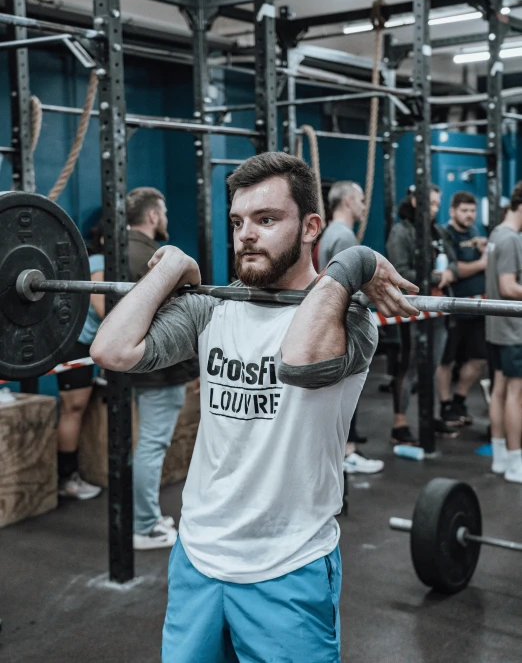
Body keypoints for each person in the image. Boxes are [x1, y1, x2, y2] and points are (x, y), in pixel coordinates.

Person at [91, 152, 418, 663]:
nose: (246, 234)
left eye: (267, 220)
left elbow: (301, 364)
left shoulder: (350, 316)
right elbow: (111, 350)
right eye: (238, 222)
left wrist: (357, 262)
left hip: (287, 566)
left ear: (312, 227)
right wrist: (170, 266)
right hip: (197, 557)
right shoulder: (215, 307)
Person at [126, 187, 200, 550]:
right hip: (159, 366)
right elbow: (178, 318)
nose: (166, 219)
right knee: (152, 446)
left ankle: (144, 516)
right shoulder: (155, 259)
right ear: (153, 216)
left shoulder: (116, 250)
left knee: (141, 445)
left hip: (130, 365)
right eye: (164, 212)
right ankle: (144, 525)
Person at [318, 180, 383, 475]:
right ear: (346, 201)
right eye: (360, 199)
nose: (363, 205)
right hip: (342, 322)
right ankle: (348, 452)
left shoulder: (330, 232)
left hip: (332, 320)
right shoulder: (343, 236)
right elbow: (348, 289)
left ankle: (343, 451)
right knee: (347, 388)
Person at [386, 185, 459, 444]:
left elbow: (453, 262)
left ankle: (429, 417)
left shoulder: (437, 232)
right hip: (412, 311)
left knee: (433, 365)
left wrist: (449, 272)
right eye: (431, 204)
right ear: (416, 201)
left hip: (439, 312)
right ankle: (400, 423)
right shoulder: (401, 232)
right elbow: (400, 273)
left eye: (438, 205)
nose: (435, 209)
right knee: (409, 366)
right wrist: (437, 277)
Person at [57, 221, 104, 500]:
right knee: (72, 411)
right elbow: (101, 306)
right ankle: (67, 479)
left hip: (82, 345)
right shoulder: (98, 260)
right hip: (75, 346)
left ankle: (67, 476)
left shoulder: (95, 259)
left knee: (73, 411)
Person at [437, 191, 488, 427]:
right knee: (446, 360)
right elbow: (454, 269)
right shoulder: (445, 234)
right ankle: (446, 405)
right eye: (464, 211)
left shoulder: (476, 233)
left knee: (478, 358)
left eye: (472, 211)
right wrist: (481, 264)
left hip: (477, 310)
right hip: (453, 308)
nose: (469, 215)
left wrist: (484, 250)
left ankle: (459, 400)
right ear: (452, 211)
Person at [485, 181, 522, 483]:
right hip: (512, 330)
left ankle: (500, 457)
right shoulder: (510, 239)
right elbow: (509, 287)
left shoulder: (497, 234)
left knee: (499, 390)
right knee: (515, 395)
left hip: (496, 327)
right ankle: (515, 462)